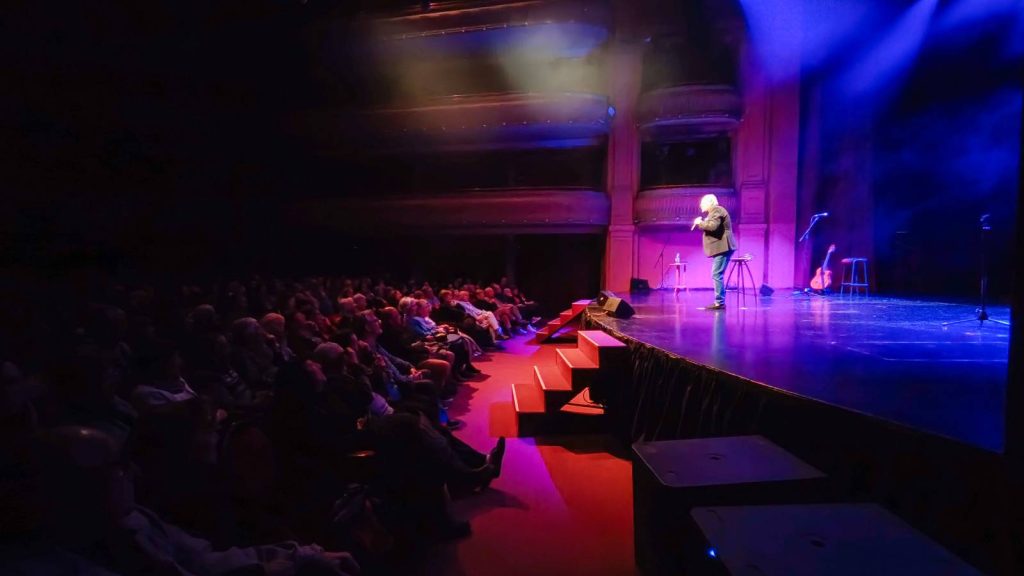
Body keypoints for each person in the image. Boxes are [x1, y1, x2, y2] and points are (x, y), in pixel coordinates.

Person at [692, 193, 737, 310]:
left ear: (710, 203)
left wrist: (700, 223)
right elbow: (712, 225)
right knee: (717, 274)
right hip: (722, 248)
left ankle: (720, 303)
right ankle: (719, 302)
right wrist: (703, 221)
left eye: (703, 202)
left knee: (716, 274)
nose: (701, 205)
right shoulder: (714, 212)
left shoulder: (717, 210)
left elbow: (712, 226)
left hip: (723, 247)